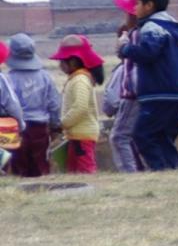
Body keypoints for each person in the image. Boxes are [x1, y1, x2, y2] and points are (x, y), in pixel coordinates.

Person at [116, 0, 178, 170]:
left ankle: (159, 169)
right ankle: (172, 169)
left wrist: (124, 49)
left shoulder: (151, 27)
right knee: (163, 137)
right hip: (177, 92)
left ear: (149, 5)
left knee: (143, 134)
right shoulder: (172, 26)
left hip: (158, 91)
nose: (135, 8)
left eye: (137, 3)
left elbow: (148, 53)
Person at [5, 33, 63, 176]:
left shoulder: (9, 79)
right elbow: (54, 104)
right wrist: (55, 126)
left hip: (16, 128)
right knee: (40, 165)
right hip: (40, 128)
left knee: (18, 166)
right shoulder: (45, 76)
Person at [52, 36, 104, 175]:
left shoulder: (80, 80)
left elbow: (80, 108)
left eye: (62, 61)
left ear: (73, 62)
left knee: (85, 170)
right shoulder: (76, 79)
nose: (60, 65)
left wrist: (62, 124)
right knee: (74, 171)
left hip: (82, 135)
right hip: (76, 135)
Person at [101, 55, 141, 174]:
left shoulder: (123, 69)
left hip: (127, 111)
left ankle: (130, 173)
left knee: (119, 138)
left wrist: (110, 110)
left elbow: (111, 101)